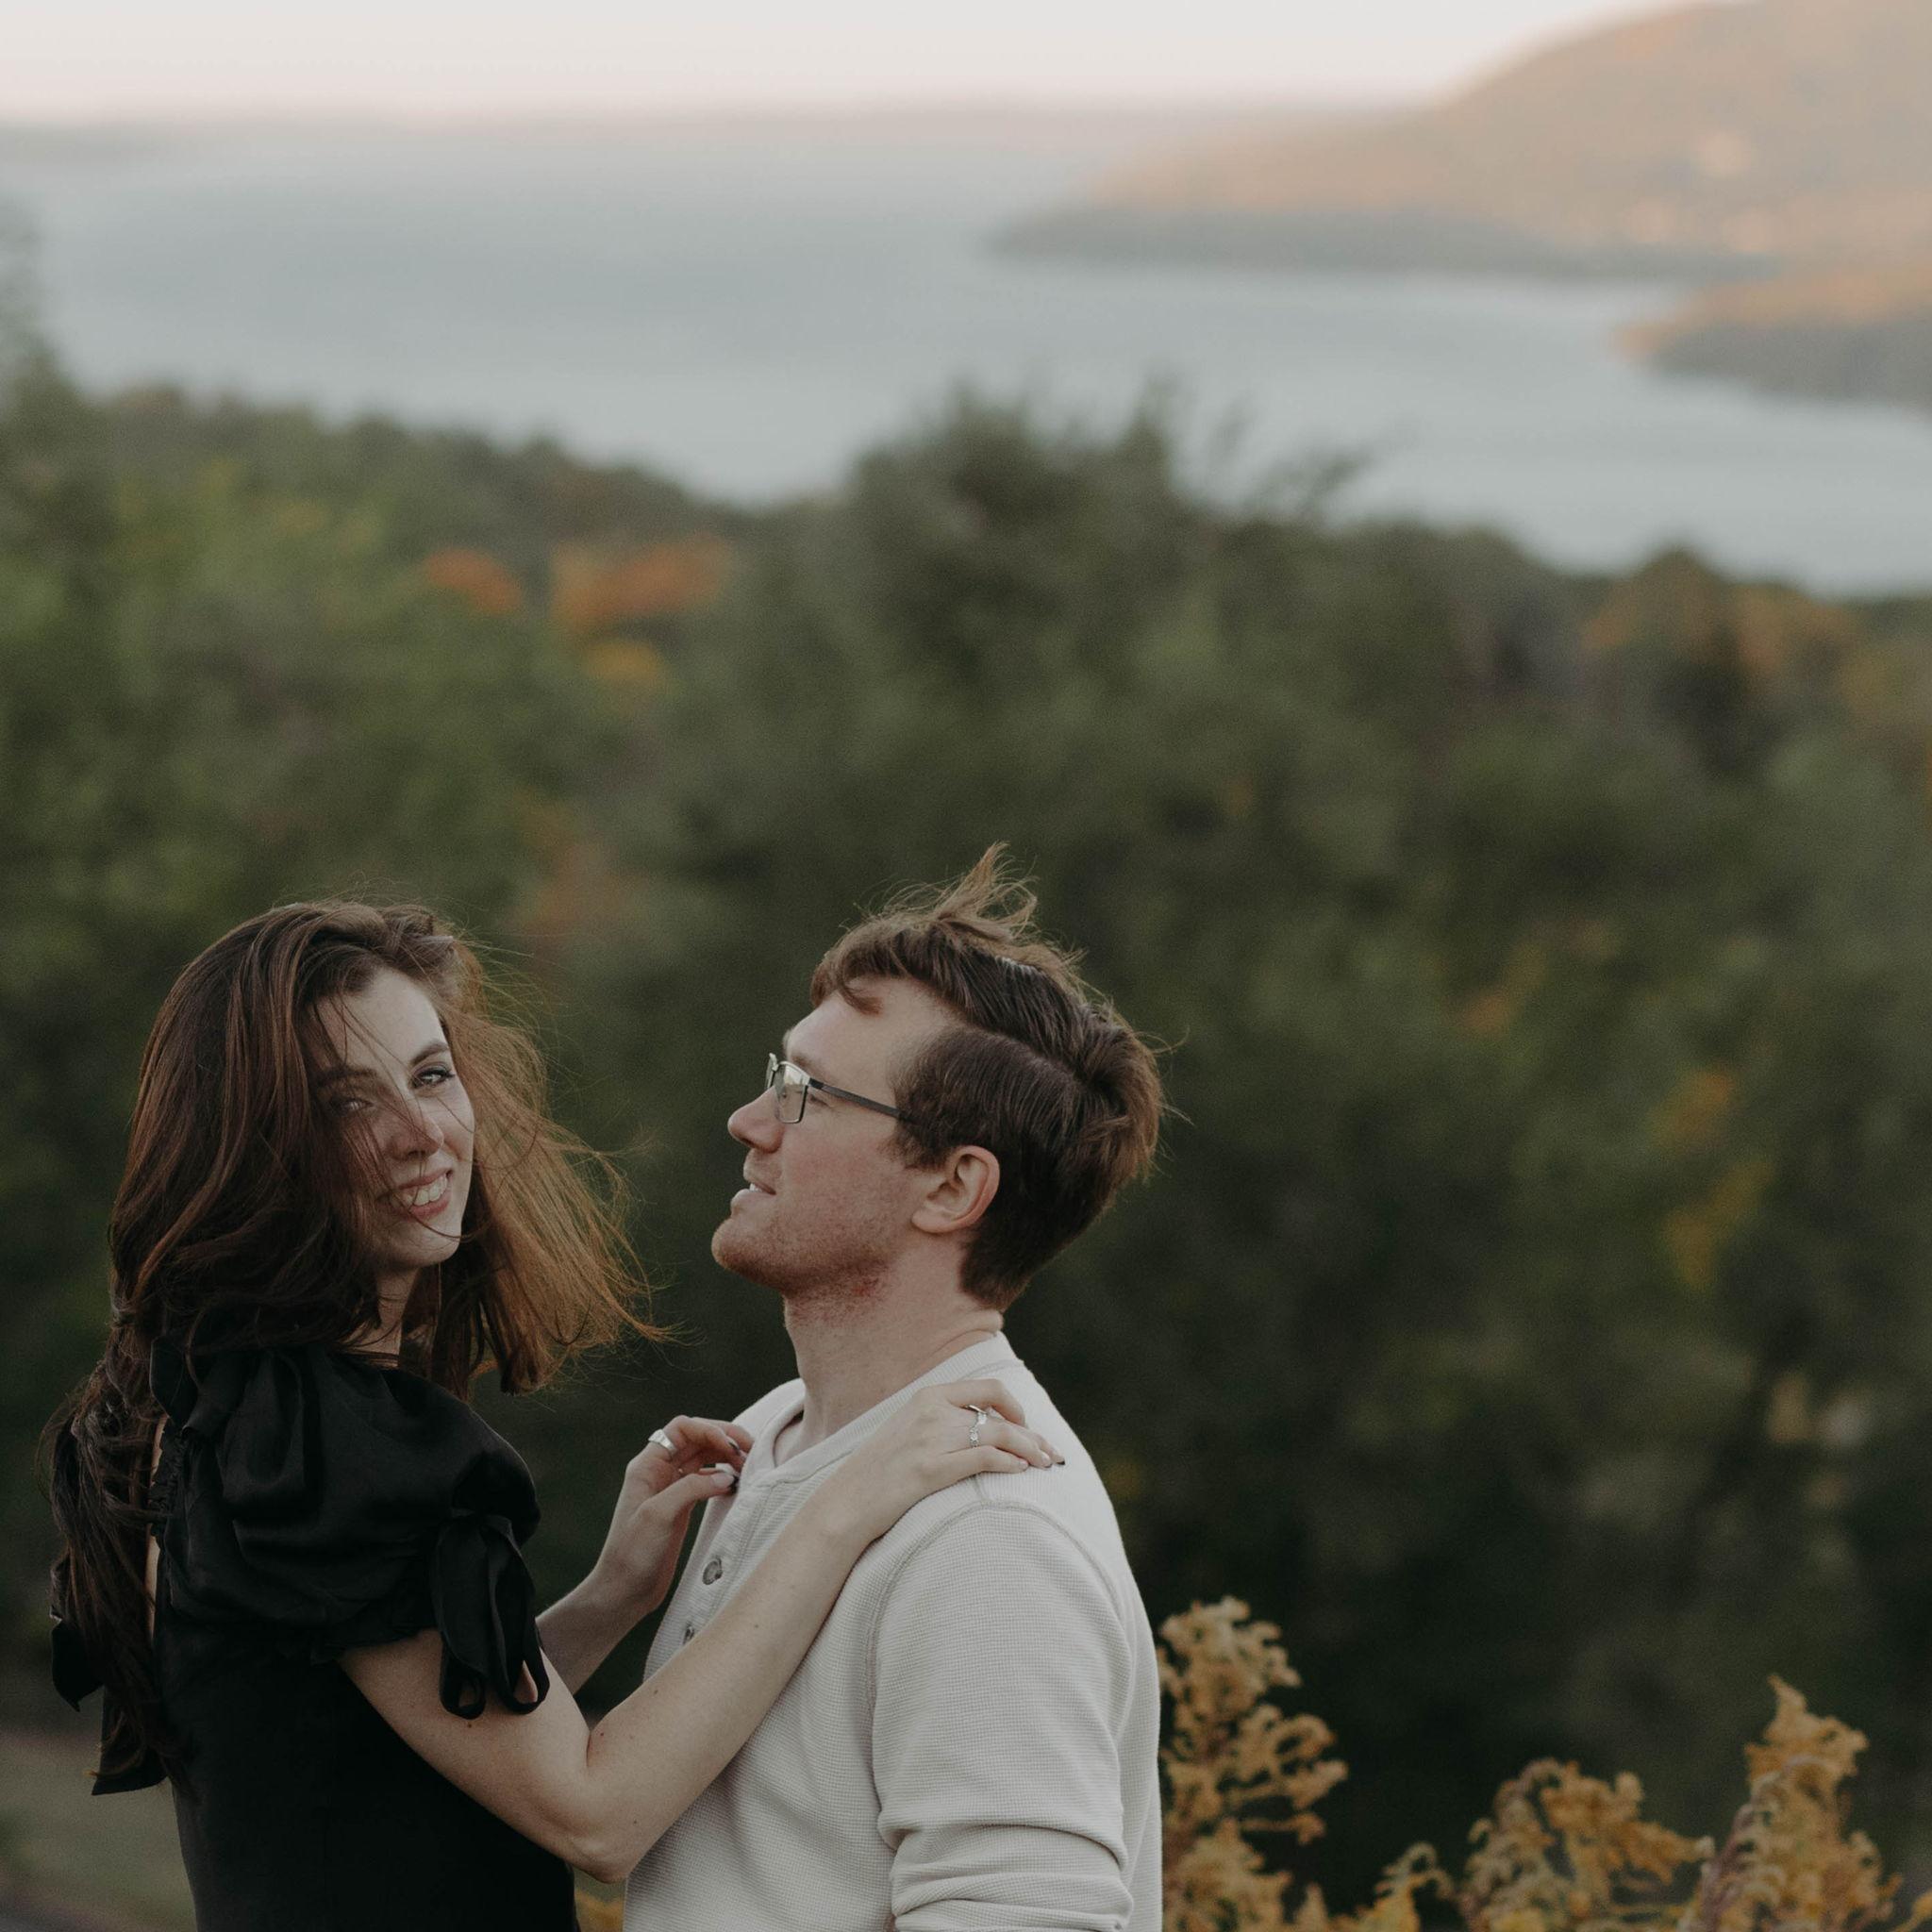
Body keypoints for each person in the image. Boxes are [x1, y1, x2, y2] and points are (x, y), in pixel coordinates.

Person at [46, 900, 1061, 1932]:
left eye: (431, 1075)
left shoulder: (237, 1405)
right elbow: (597, 1817)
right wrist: (846, 1502)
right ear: (255, 1144)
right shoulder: (312, 1445)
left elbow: (393, 1741)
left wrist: (610, 1595)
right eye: (345, 1102)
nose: (422, 1132)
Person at [625, 848, 1167, 1932]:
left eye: (804, 1093)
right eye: (775, 1072)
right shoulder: (764, 1437)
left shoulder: (990, 1529)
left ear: (952, 1185)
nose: (749, 1120)